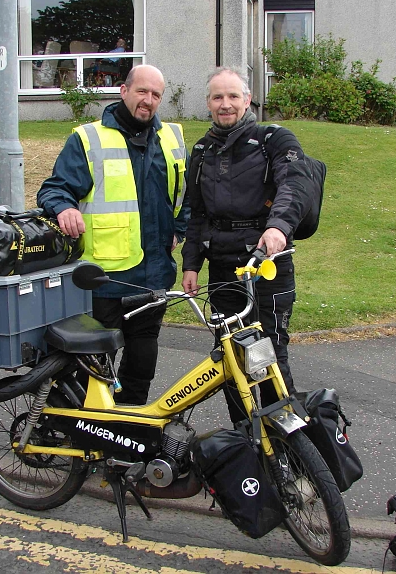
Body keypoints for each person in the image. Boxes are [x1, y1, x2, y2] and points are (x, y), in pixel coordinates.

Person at [37, 64, 189, 405]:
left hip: (153, 273)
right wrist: (65, 208)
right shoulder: (88, 138)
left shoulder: (172, 138)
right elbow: (55, 188)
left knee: (142, 359)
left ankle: (128, 428)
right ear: (123, 90)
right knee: (94, 364)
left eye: (156, 95)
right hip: (103, 277)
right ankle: (85, 430)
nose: (148, 100)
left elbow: (185, 194)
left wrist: (179, 229)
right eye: (142, 92)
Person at [181, 66, 306, 420]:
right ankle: (246, 444)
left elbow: (293, 186)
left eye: (233, 96)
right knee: (232, 362)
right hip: (222, 268)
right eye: (218, 97)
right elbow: (197, 213)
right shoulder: (202, 150)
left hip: (265, 265)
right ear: (208, 103)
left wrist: (279, 227)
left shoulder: (274, 140)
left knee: (270, 359)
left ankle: (292, 455)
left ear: (247, 99)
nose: (226, 104)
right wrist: (191, 264)